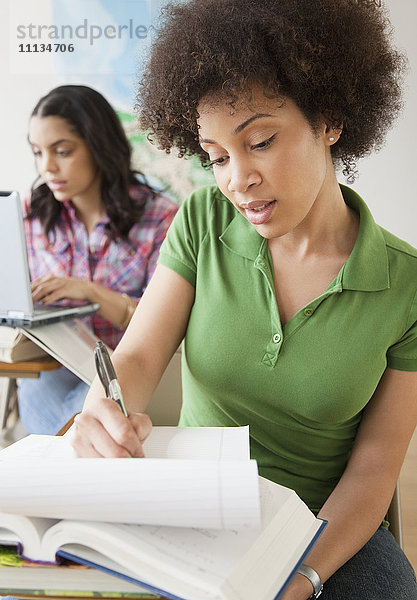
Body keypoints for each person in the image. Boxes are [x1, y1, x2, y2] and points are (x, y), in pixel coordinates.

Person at [71, 1, 417, 599]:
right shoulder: (204, 221)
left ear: (329, 119)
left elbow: (373, 473)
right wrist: (105, 405)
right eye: (217, 156)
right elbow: (137, 358)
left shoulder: (405, 285)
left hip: (322, 521)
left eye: (259, 140)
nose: (237, 179)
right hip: (197, 506)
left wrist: (302, 578)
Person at [18, 84, 178, 435]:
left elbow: (166, 325)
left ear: (98, 145)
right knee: (44, 398)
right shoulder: (30, 217)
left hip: (128, 372)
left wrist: (90, 292)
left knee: (90, 416)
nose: (47, 167)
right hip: (52, 370)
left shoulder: (159, 218)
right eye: (37, 152)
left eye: (62, 151)